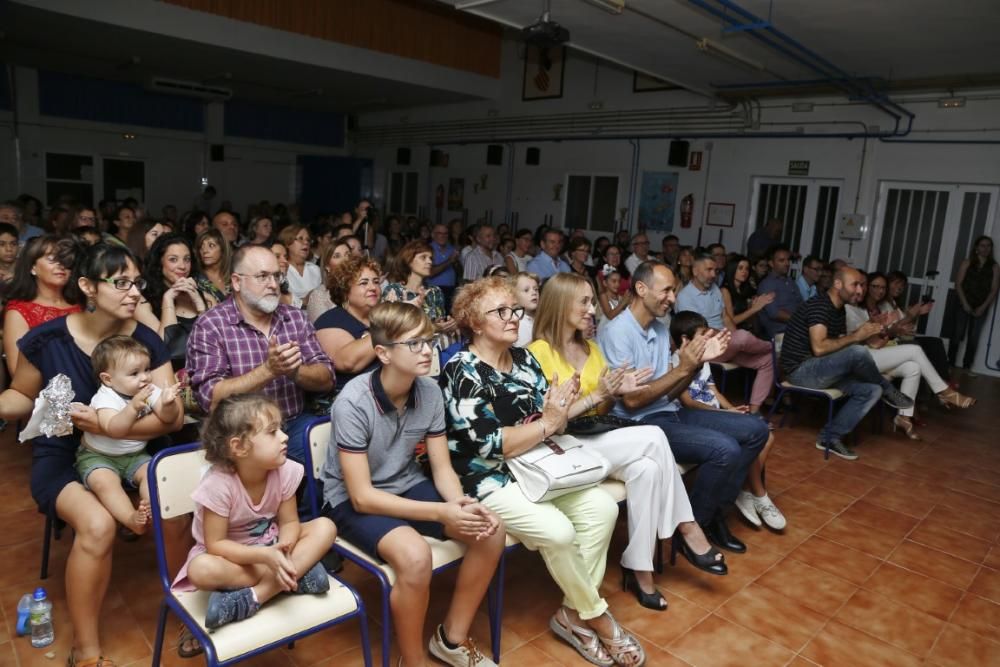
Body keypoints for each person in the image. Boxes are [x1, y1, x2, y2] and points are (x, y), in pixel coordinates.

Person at [442, 276, 646, 667]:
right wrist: (548, 423)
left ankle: (572, 613)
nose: (513, 317)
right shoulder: (461, 369)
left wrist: (572, 407)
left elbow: (554, 420)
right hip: (489, 478)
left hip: (540, 466)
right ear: (474, 321)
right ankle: (597, 616)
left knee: (603, 509)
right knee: (559, 531)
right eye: (501, 311)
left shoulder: (525, 359)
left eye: (515, 310)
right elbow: (491, 444)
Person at [0, 243, 181, 667]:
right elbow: (20, 395)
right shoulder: (48, 339)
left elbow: (170, 421)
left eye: (137, 282)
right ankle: (86, 650)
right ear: (87, 287)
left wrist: (108, 427)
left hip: (138, 449)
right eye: (120, 282)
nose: (134, 292)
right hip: (62, 453)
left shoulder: (147, 340)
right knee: (98, 525)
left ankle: (188, 609)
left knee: (181, 506)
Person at [321, 303, 504, 667]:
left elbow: (441, 468)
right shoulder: (353, 402)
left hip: (405, 483)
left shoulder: (430, 392)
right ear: (383, 353)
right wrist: (441, 511)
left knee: (490, 531)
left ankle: (450, 639)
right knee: (415, 556)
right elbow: (361, 496)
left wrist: (462, 506)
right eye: (414, 343)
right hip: (352, 500)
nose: (427, 350)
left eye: (429, 341)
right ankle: (412, 660)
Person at [530, 274, 726, 611]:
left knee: (648, 469)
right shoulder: (538, 352)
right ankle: (687, 527)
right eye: (585, 302)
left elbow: (604, 408)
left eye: (593, 301)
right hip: (563, 446)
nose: (593, 309)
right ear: (561, 304)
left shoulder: (591, 349)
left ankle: (640, 569)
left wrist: (617, 391)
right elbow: (547, 423)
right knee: (653, 435)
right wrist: (599, 396)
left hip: (596, 438)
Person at [599, 261, 768, 554]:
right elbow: (633, 400)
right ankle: (695, 527)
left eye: (674, 292)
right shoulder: (617, 332)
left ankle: (714, 511)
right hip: (639, 425)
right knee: (724, 449)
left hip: (668, 412)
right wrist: (683, 368)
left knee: (756, 429)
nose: (673, 298)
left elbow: (670, 390)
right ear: (641, 289)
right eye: (666, 291)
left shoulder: (661, 330)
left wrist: (695, 365)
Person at [171, 395, 336, 629]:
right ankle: (296, 577)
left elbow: (289, 523)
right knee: (200, 569)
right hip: (231, 558)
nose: (284, 436)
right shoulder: (218, 485)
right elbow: (216, 545)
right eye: (272, 432)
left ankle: (257, 595)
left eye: (281, 428)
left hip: (273, 545)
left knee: (325, 527)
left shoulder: (285, 470)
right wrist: (266, 558)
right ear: (238, 447)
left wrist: (283, 551)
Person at [187, 245, 335, 460]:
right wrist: (268, 370)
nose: (274, 285)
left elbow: (327, 378)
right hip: (242, 433)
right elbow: (211, 398)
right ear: (237, 282)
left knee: (337, 451)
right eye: (262, 277)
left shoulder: (295, 318)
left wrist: (295, 372)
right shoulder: (211, 325)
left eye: (276, 276)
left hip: (294, 423)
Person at [779, 267, 916, 460]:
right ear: (837, 284)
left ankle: (829, 437)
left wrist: (863, 335)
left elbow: (838, 343)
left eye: (861, 285)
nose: (860, 290)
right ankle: (887, 389)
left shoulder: (838, 309)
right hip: (801, 371)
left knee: (871, 390)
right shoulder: (820, 306)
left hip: (821, 367)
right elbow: (819, 348)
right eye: (855, 285)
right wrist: (856, 337)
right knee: (858, 352)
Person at [669, 312, 785, 530]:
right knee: (756, 438)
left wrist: (731, 409)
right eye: (703, 334)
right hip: (700, 416)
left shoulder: (704, 360)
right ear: (686, 339)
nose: (708, 338)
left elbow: (714, 391)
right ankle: (754, 494)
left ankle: (748, 492)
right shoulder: (676, 363)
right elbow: (688, 403)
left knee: (765, 436)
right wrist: (725, 415)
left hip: (716, 413)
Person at [845, 272, 974, 439]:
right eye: (873, 286)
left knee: (913, 367)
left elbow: (879, 341)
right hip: (859, 357)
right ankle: (944, 391)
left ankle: (904, 417)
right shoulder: (852, 309)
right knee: (914, 350)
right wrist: (886, 329)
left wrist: (885, 329)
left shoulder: (872, 309)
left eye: (882, 287)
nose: (878, 290)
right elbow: (873, 343)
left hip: (875, 353)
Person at [79, 335, 181, 535]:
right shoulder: (105, 397)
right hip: (98, 457)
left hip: (135, 456)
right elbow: (114, 429)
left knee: (152, 475)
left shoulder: (147, 390)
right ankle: (131, 520)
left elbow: (168, 419)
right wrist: (133, 407)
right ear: (108, 379)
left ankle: (151, 510)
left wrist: (168, 404)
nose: (144, 377)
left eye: (147, 370)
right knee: (104, 483)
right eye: (134, 373)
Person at [675, 251, 775, 416]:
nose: (713, 275)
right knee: (745, 338)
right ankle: (772, 347)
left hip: (726, 343)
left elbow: (726, 318)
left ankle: (755, 411)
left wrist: (732, 339)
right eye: (708, 270)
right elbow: (697, 332)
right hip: (706, 348)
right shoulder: (685, 296)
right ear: (695, 271)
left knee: (767, 360)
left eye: (714, 270)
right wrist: (730, 337)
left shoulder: (714, 288)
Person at [3, 235, 80, 377]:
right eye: (52, 259)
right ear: (33, 268)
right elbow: (17, 372)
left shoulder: (81, 306)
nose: (61, 265)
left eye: (65, 260)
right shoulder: (19, 312)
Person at [143, 233, 216, 370]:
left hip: (207, 372)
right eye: (173, 259)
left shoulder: (206, 298)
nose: (182, 266)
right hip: (167, 379)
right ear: (160, 262)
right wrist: (168, 300)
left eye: (187, 259)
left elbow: (219, 342)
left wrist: (200, 305)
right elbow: (164, 349)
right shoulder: (144, 302)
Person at [315, 256, 382, 389]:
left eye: (376, 282)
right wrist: (393, 326)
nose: (373, 287)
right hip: (345, 400)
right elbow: (348, 363)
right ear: (345, 291)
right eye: (364, 283)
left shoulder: (379, 318)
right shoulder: (330, 320)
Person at [883, 270, 952, 381]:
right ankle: (943, 382)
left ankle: (943, 381)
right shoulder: (883, 304)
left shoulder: (894, 303)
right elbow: (892, 329)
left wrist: (916, 314)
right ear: (886, 283)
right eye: (896, 283)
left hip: (902, 338)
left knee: (935, 342)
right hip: (891, 341)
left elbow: (908, 327)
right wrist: (912, 314)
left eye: (902, 285)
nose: (900, 287)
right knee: (931, 345)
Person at [949, 235, 1000, 371]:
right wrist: (965, 304)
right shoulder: (967, 262)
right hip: (963, 304)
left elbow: (994, 289)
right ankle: (950, 364)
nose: (986, 248)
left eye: (989, 246)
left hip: (981, 306)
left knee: (974, 338)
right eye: (983, 245)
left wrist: (983, 307)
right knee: (957, 334)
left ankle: (966, 367)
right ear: (976, 248)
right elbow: (958, 284)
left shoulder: (994, 267)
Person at [381, 241, 454, 332]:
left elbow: (440, 322)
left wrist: (449, 325)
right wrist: (433, 327)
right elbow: (389, 328)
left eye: (430, 258)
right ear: (409, 261)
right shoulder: (394, 290)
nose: (429, 261)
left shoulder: (435, 291)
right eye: (423, 257)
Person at [757, 244, 803, 339]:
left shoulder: (790, 282)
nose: (787, 263)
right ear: (771, 263)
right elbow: (774, 313)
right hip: (779, 335)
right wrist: (800, 321)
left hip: (797, 330)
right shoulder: (767, 284)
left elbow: (801, 304)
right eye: (782, 260)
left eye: (788, 260)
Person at [721, 254, 773, 336]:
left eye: (747, 268)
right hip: (732, 335)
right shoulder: (725, 291)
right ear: (732, 269)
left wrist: (753, 306)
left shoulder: (745, 289)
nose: (744, 271)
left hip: (746, 331)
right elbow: (731, 321)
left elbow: (748, 318)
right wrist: (754, 309)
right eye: (740, 268)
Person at [305, 240, 352, 323]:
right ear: (327, 267)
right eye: (337, 256)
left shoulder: (363, 290)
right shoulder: (319, 295)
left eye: (348, 255)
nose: (345, 260)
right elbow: (322, 330)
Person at [278, 224, 322, 302]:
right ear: (288, 243)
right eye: (300, 239)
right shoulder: (281, 268)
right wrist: (305, 301)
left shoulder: (315, 269)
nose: (306, 243)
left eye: (308, 240)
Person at [194, 228, 232, 304]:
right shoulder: (196, 280)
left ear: (223, 249)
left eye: (211, 245)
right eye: (201, 247)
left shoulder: (234, 276)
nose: (205, 251)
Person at [428, 222, 460, 308]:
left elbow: (459, 272)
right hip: (433, 290)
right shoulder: (428, 249)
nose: (443, 236)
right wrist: (449, 261)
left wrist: (456, 263)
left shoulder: (451, 248)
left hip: (451, 289)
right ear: (433, 235)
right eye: (439, 233)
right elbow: (430, 272)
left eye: (446, 233)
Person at [512, 271, 540, 347]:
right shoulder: (518, 321)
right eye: (526, 290)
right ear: (514, 297)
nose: (534, 293)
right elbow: (523, 352)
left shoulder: (539, 315)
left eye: (536, 289)